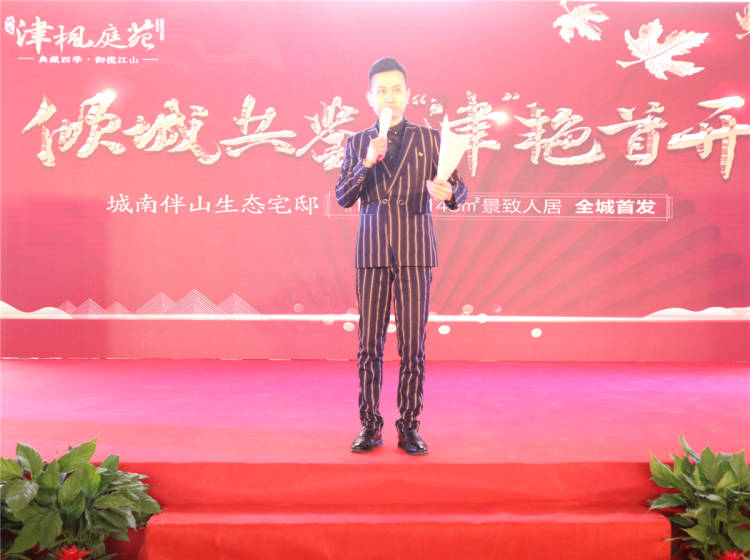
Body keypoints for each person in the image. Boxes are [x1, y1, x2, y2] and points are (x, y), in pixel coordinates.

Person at [335, 57, 468, 455]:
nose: (389, 97)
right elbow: (343, 196)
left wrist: (449, 193)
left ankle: (409, 425)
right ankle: (369, 424)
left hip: (414, 250)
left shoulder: (430, 139)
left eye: (396, 89)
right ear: (369, 97)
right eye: (381, 90)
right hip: (372, 251)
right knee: (369, 345)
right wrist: (366, 162)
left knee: (413, 345)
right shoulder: (357, 142)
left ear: (408, 95)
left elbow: (458, 189)